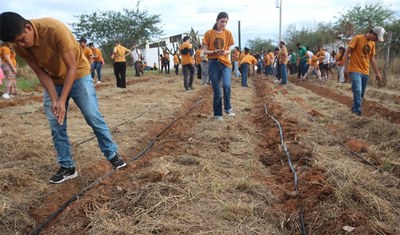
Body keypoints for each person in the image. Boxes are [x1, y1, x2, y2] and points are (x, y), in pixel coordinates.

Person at [0, 12, 127, 184]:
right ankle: (67, 167)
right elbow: (40, 73)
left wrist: (62, 100)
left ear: (28, 27)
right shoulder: (19, 45)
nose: (21, 45)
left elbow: (71, 67)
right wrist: (55, 100)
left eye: (22, 39)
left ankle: (112, 155)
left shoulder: (54, 30)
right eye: (16, 43)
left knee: (92, 116)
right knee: (56, 121)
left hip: (78, 75)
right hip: (54, 80)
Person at [343, 26, 385, 116]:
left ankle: (355, 108)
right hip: (355, 69)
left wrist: (377, 72)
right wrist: (346, 68)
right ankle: (357, 112)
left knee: (361, 93)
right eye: (376, 38)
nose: (376, 40)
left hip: (365, 71)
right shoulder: (357, 38)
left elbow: (372, 59)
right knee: (357, 90)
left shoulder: (372, 44)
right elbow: (347, 53)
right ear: (373, 33)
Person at [202, 12, 235, 120]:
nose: (224, 24)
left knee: (226, 85)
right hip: (213, 63)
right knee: (217, 90)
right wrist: (214, 51)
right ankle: (218, 114)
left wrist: (225, 52)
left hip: (225, 63)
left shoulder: (228, 33)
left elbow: (230, 49)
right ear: (217, 20)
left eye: (226, 22)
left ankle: (228, 107)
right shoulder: (209, 33)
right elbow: (204, 51)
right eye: (222, 21)